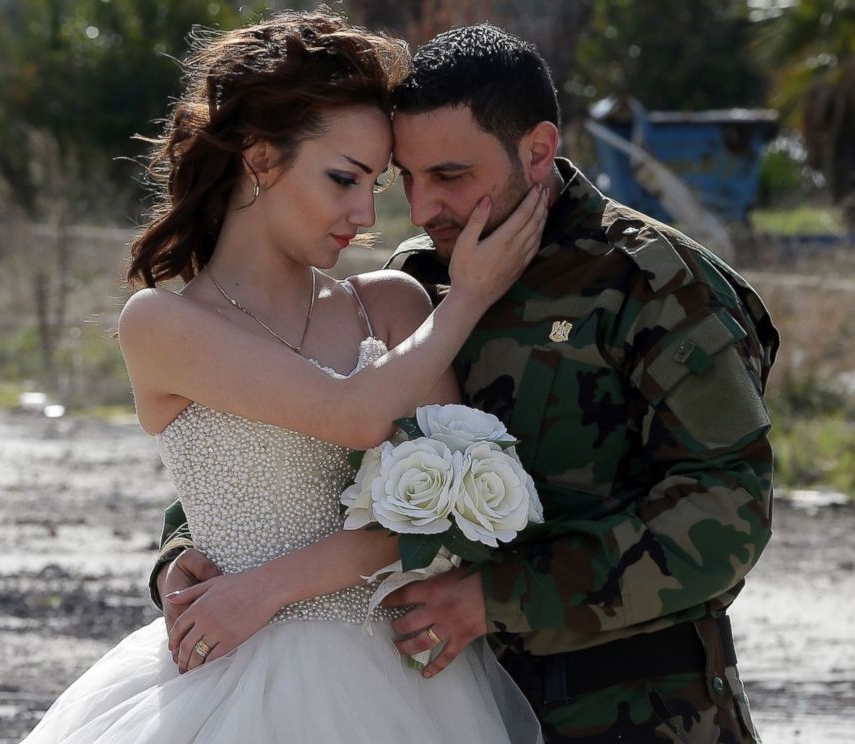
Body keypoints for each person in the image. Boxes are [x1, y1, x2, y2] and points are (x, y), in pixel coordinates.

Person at [153, 23, 780, 744]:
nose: (422, 210)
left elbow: (727, 511)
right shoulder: (421, 277)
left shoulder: (656, 283)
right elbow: (290, 448)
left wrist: (498, 597)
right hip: (436, 700)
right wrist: (184, 558)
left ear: (538, 151)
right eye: (408, 178)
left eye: (450, 176)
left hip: (636, 709)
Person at [21, 11, 549, 744]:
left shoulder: (395, 306)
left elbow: (444, 509)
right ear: (261, 160)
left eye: (375, 185)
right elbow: (355, 414)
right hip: (224, 676)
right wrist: (469, 297)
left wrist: (265, 590)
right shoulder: (162, 325)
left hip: (398, 681)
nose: (366, 214)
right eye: (343, 179)